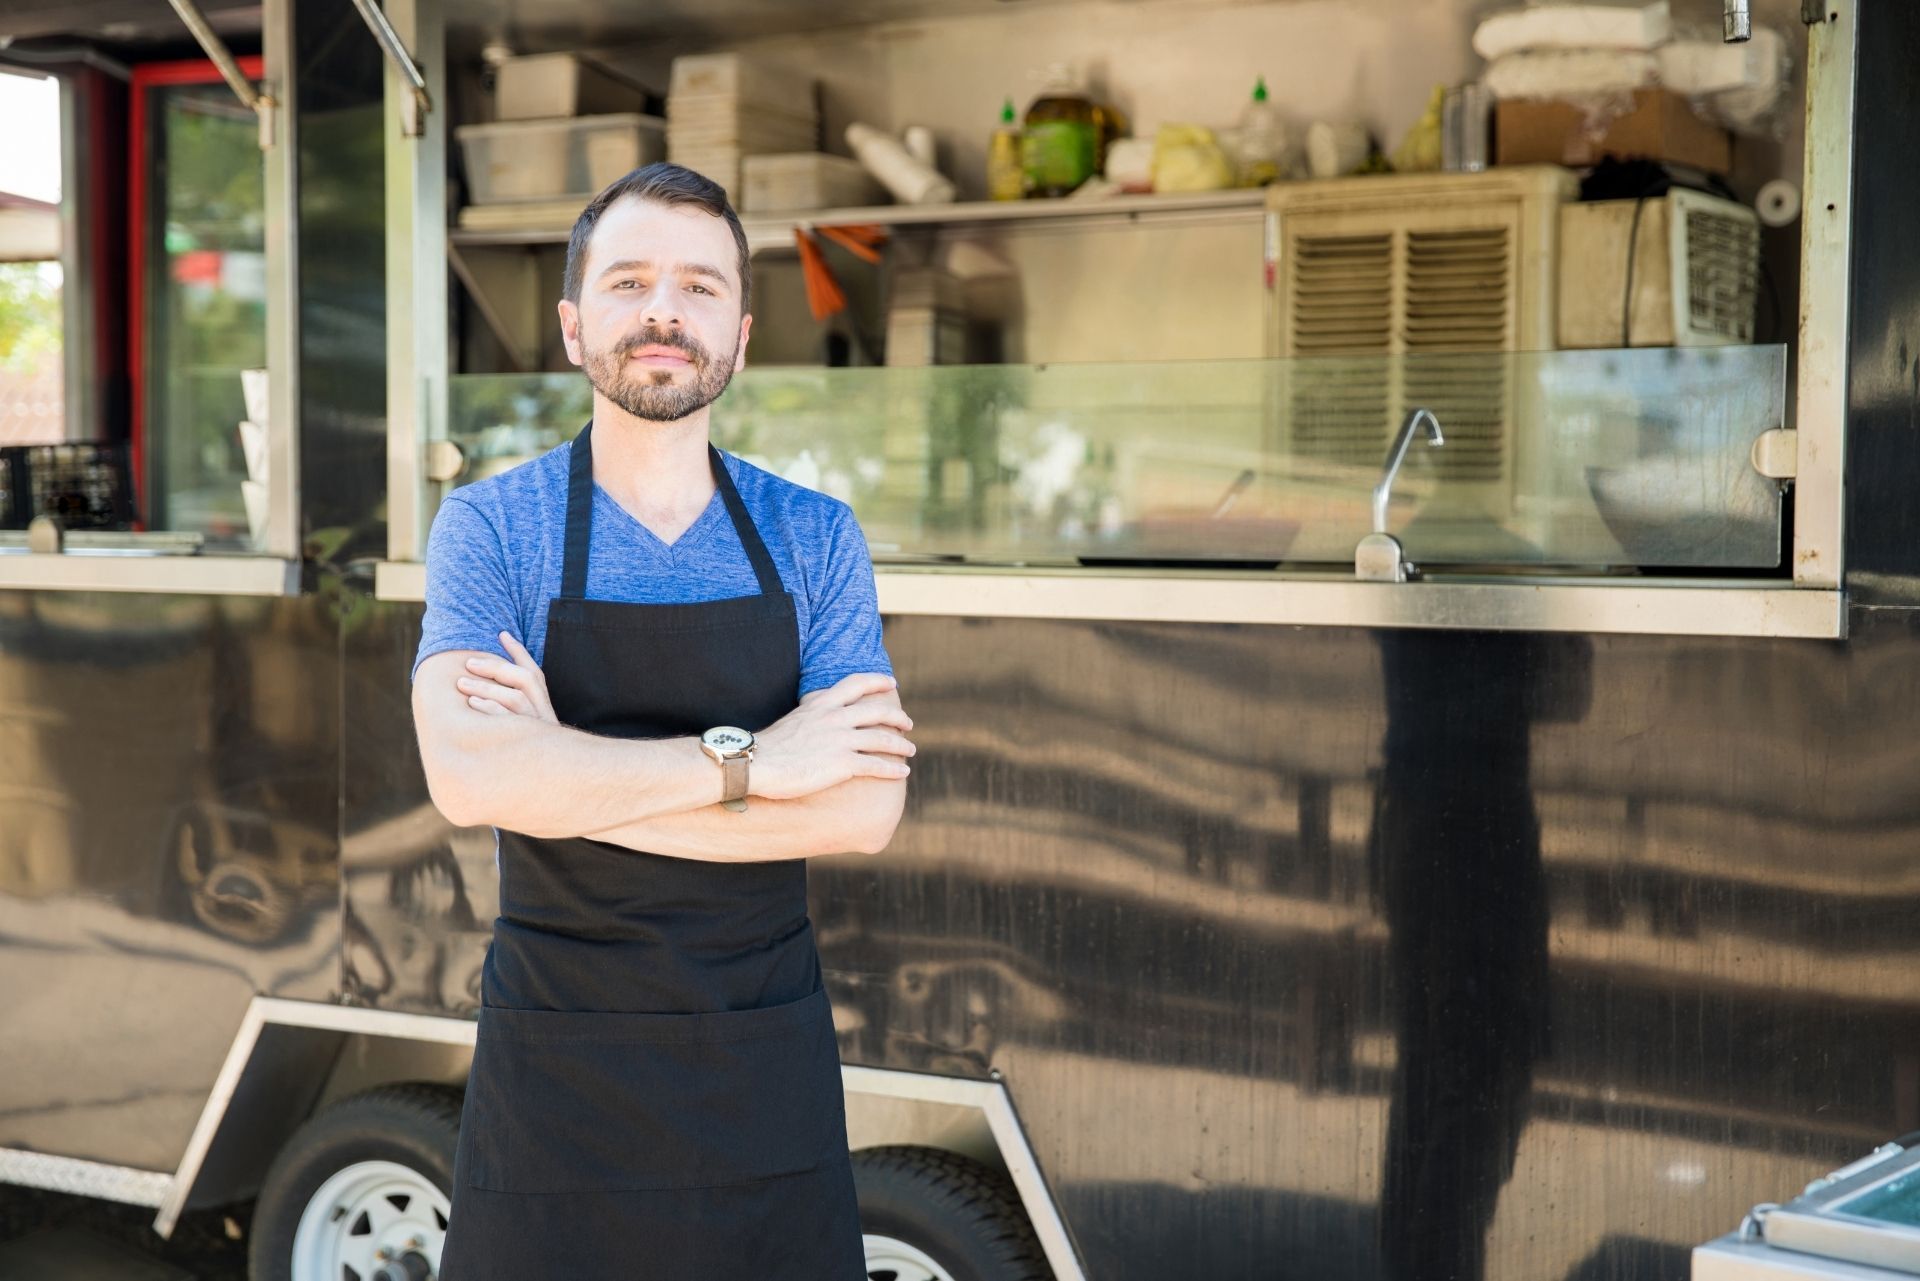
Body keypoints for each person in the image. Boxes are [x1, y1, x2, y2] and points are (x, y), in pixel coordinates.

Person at [410, 162, 915, 1278]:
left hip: (760, 1062)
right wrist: (757, 763)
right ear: (573, 323)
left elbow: (866, 808)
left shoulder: (815, 534)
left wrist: (560, 776)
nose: (664, 312)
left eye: (700, 286)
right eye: (630, 281)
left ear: (740, 333)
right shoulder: (492, 528)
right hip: (558, 1067)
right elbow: (468, 778)